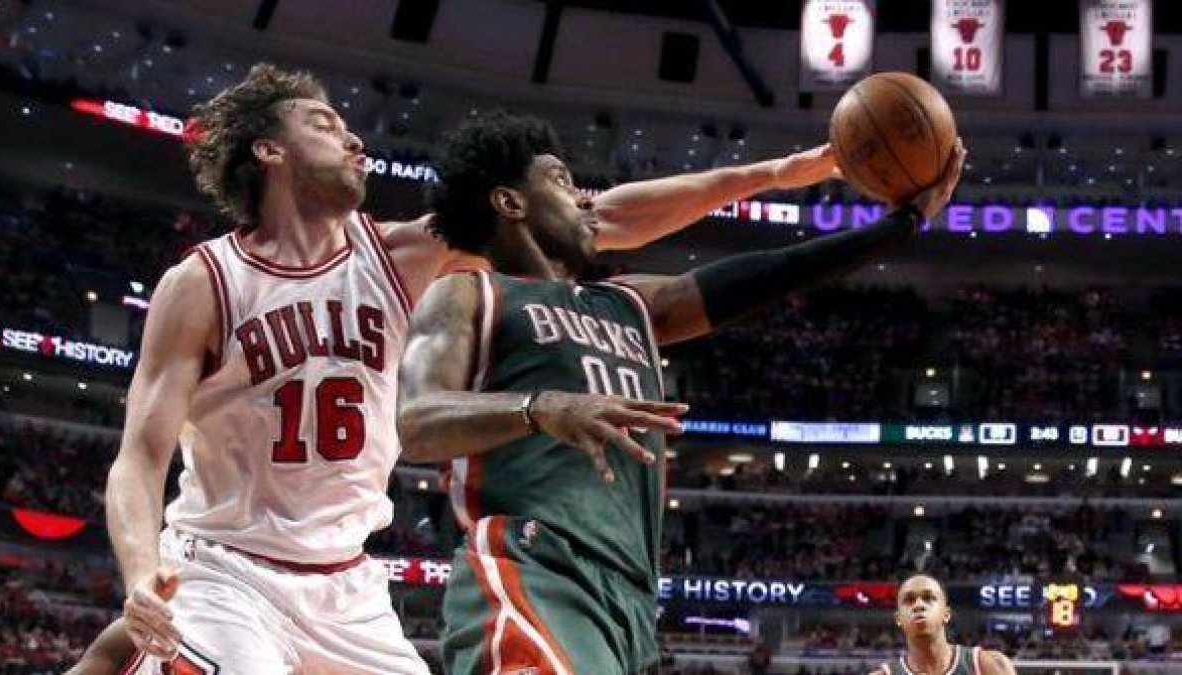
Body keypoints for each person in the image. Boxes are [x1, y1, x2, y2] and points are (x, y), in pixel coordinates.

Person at [86, 62, 843, 673]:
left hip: (347, 584)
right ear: (268, 150)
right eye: (324, 125)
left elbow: (601, 218)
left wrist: (777, 172)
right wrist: (139, 574)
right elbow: (142, 455)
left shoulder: (401, 253)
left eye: (350, 128)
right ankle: (142, 648)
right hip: (227, 567)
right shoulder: (205, 282)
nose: (352, 140)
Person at [395, 112, 964, 673]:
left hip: (630, 594)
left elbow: (769, 273)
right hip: (530, 566)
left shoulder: (627, 303)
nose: (585, 200)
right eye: (561, 181)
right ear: (510, 203)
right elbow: (417, 421)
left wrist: (902, 225)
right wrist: (540, 407)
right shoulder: (468, 293)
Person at [871, 575, 1017, 675]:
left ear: (946, 614)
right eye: (909, 600)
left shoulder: (988, 665)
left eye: (929, 598)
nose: (919, 605)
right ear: (898, 618)